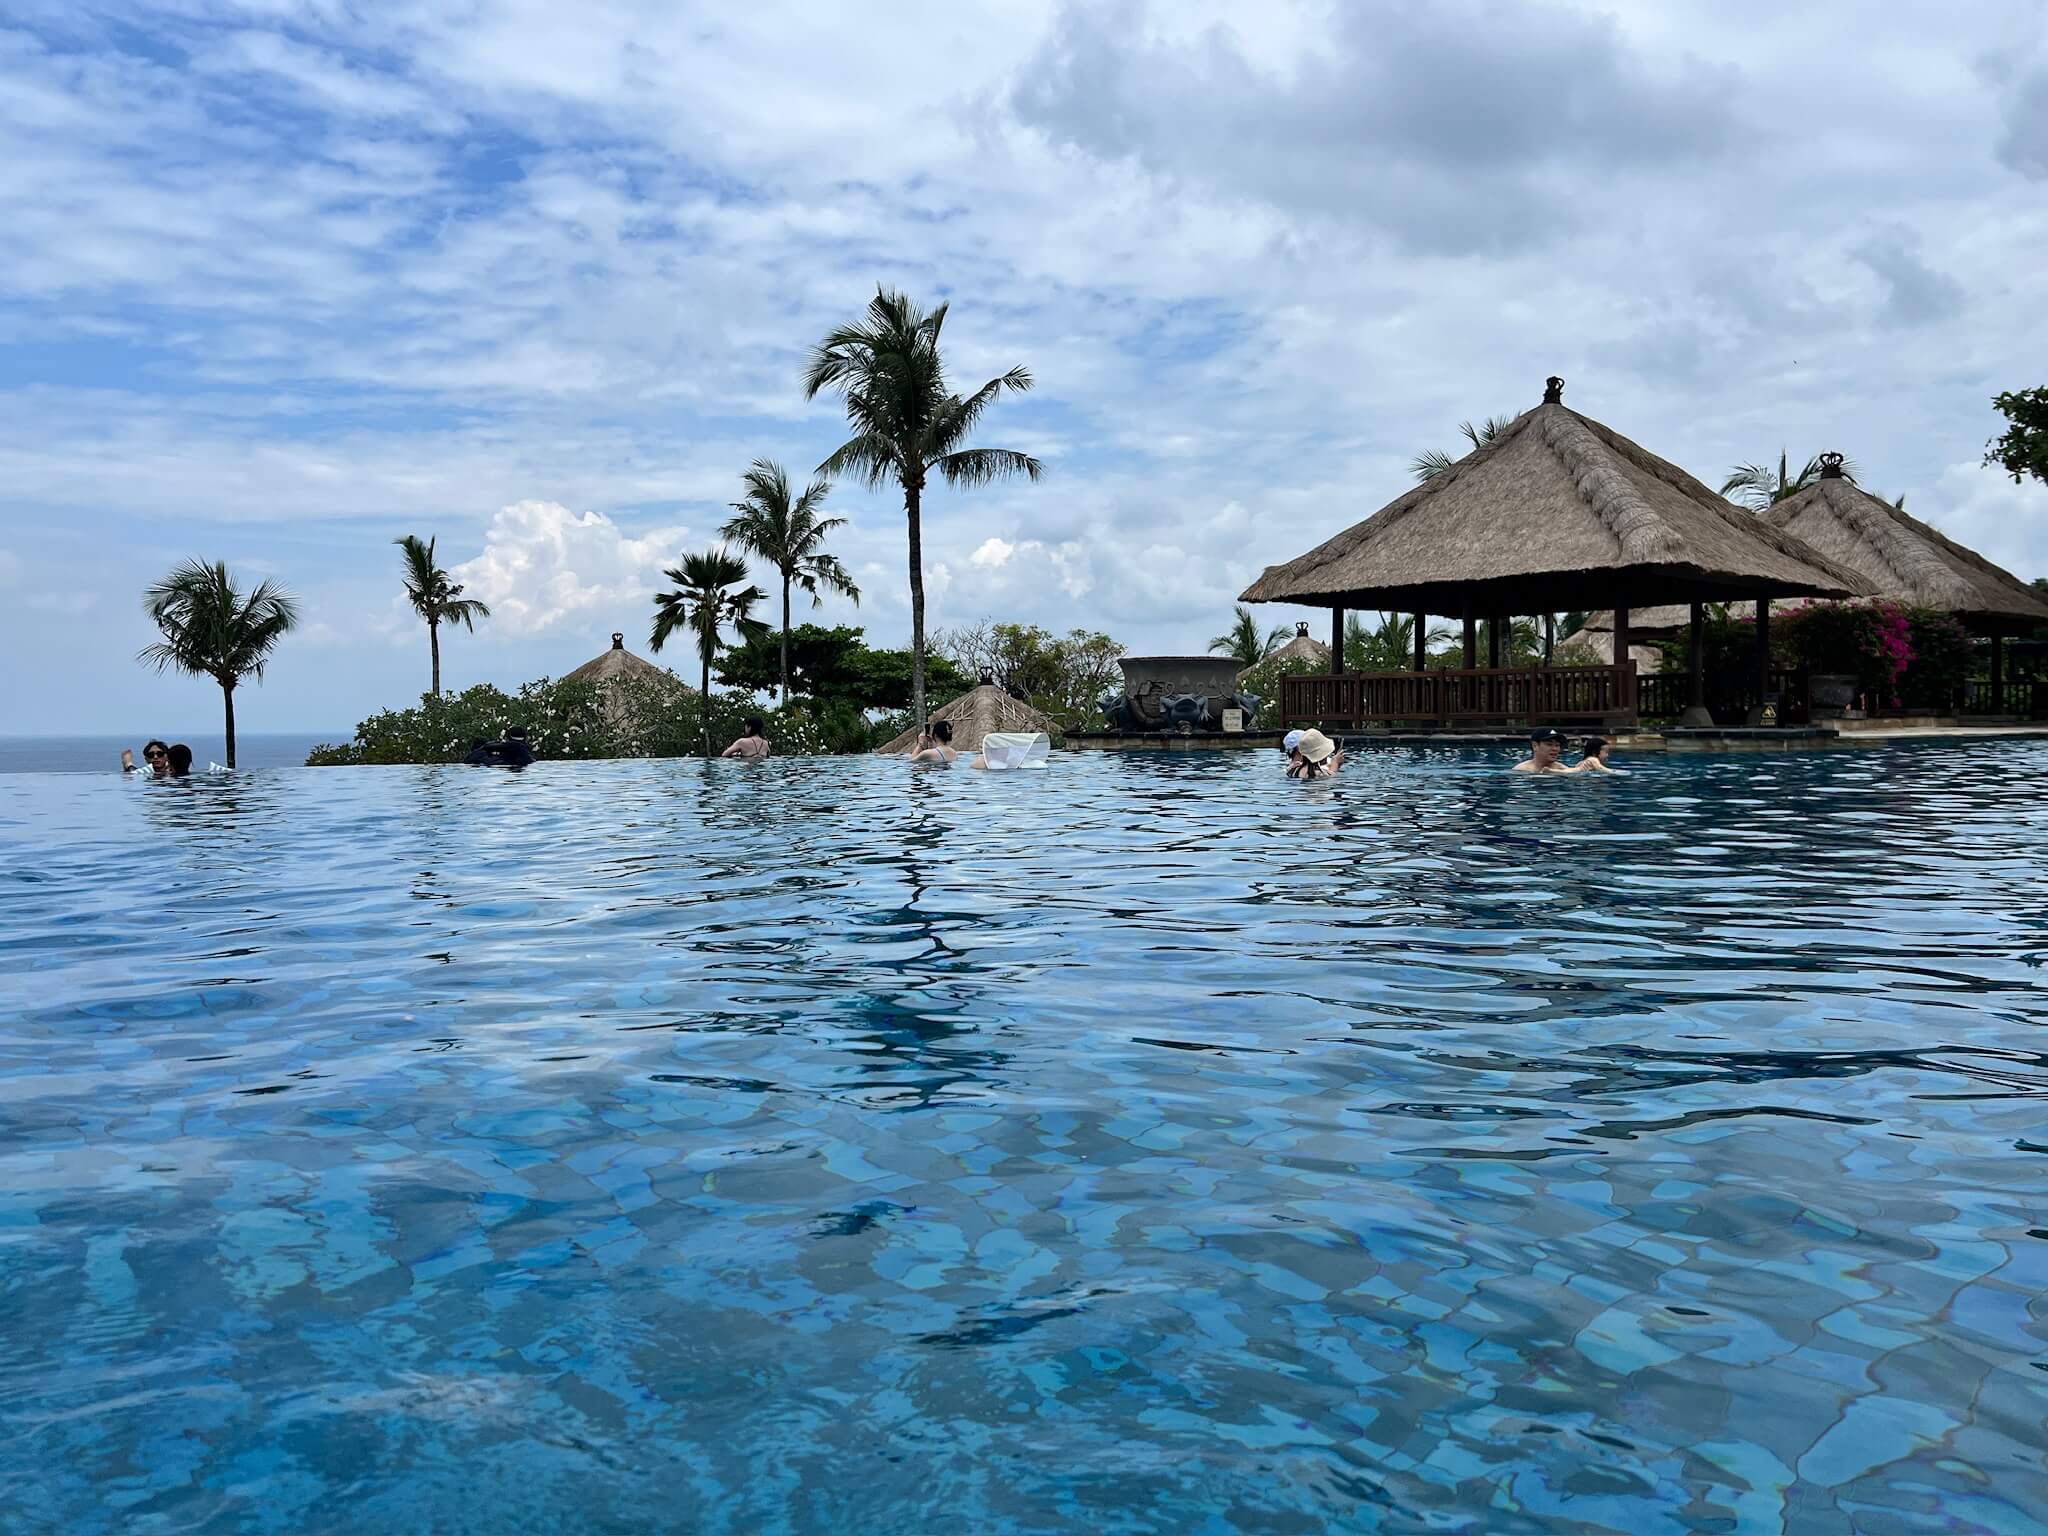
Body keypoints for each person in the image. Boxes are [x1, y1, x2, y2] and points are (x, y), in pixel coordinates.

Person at [465, 725, 534, 767]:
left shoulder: (515, 745)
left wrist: (482, 747)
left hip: (508, 763)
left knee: (481, 754)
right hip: (515, 763)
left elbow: (490, 747)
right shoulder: (524, 748)